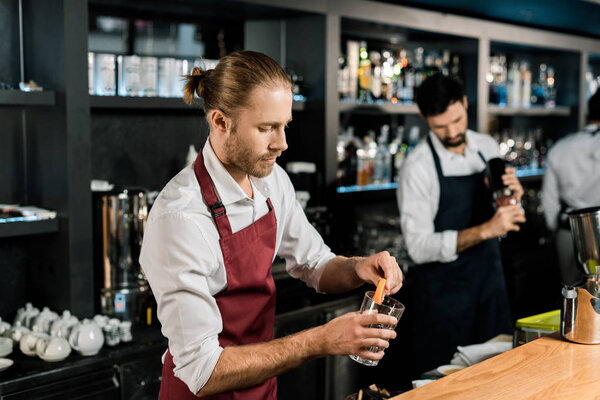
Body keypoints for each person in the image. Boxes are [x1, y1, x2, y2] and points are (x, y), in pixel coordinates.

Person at [139, 50, 404, 400]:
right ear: (220, 122)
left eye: (285, 126)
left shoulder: (271, 179)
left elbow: (313, 263)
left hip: (260, 389)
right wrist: (323, 340)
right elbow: (202, 371)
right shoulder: (181, 218)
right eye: (266, 128)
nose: (282, 143)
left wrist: (358, 268)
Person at [396, 73, 525, 373]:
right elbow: (417, 248)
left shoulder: (486, 146)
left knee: (500, 377)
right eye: (440, 126)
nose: (452, 132)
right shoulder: (417, 167)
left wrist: (511, 198)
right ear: (423, 117)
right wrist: (486, 230)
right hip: (445, 302)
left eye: (457, 120)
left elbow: (502, 210)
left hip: (490, 290)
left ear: (465, 103)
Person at [542, 90, 600, 285]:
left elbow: (549, 201)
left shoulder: (561, 146)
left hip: (569, 232)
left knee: (572, 293)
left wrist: (554, 229)